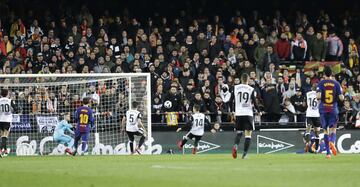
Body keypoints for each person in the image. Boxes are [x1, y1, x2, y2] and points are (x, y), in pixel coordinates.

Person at [317, 66, 344, 159]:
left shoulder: (321, 83)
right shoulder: (336, 84)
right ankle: (332, 141)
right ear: (331, 74)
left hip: (323, 108)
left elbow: (318, 96)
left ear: (324, 74)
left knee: (325, 130)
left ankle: (328, 153)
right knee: (333, 129)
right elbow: (341, 98)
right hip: (333, 109)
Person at [232, 73, 261, 159]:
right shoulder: (251, 89)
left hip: (239, 113)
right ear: (248, 80)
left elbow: (231, 100)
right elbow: (255, 102)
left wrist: (233, 111)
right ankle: (244, 155)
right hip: (248, 113)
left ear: (241, 79)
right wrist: (259, 111)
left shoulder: (235, 88)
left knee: (239, 132)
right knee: (248, 135)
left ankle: (236, 145)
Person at [0, 89, 18, 157]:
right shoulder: (10, 100)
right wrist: (12, 110)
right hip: (7, 120)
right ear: (7, 94)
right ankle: (1, 149)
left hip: (0, 120)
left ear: (1, 94)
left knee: (2, 136)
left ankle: (4, 150)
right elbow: (16, 109)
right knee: (5, 135)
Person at [304, 84, 321, 153]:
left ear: (311, 88)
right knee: (317, 133)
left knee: (308, 130)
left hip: (309, 114)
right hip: (316, 114)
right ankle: (316, 149)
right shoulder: (319, 95)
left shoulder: (308, 94)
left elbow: (304, 103)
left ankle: (307, 143)